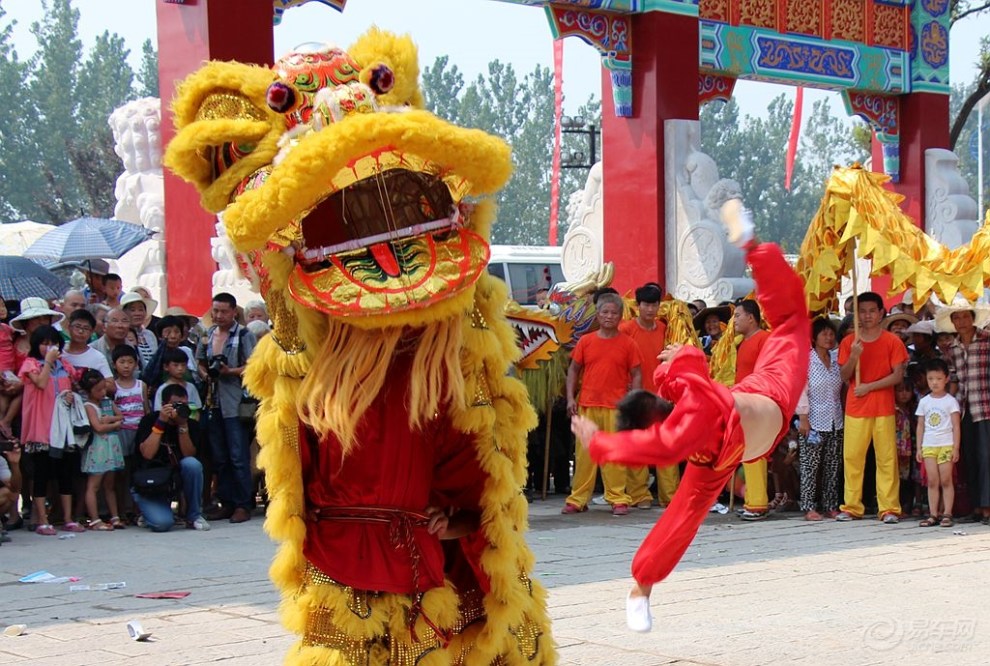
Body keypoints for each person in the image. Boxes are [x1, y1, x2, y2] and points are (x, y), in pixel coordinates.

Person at [572, 202, 808, 633]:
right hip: (753, 413)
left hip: (756, 400)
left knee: (681, 518)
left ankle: (641, 588)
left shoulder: (695, 409)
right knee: (793, 321)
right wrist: (601, 442)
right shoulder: (692, 416)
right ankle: (641, 587)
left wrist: (602, 441)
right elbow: (662, 439)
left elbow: (663, 434)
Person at [562, 292, 641, 516]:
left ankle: (617, 498)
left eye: (613, 313)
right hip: (587, 405)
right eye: (604, 312)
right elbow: (573, 370)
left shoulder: (628, 343)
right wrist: (570, 398)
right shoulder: (586, 341)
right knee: (584, 455)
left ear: (620, 316)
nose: (608, 316)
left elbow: (636, 374)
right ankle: (578, 499)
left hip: (615, 407)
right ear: (597, 314)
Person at [836, 292, 908, 524]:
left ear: (880, 313)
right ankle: (851, 506)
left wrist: (869, 387)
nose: (867, 316)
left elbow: (897, 376)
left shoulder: (892, 341)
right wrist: (854, 357)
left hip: (883, 406)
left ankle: (889, 508)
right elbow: (845, 376)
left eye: (871, 311)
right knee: (852, 458)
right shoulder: (850, 342)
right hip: (856, 407)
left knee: (887, 459)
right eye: (862, 311)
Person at [198, 293, 256, 524]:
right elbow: (200, 363)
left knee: (238, 456)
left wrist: (229, 371)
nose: (219, 315)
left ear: (234, 312)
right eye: (215, 311)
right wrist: (206, 374)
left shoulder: (244, 334)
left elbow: (253, 366)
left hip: (235, 403)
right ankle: (226, 502)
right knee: (219, 457)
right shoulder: (208, 334)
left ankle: (243, 504)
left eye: (223, 311)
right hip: (214, 402)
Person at [19, 326, 81, 535]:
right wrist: (47, 362)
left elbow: (72, 387)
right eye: (44, 343)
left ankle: (68, 518)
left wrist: (70, 396)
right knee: (41, 474)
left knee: (65, 473)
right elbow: (41, 382)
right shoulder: (31, 364)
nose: (49, 347)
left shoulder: (65, 366)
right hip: (41, 427)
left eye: (52, 343)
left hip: (62, 428)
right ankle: (42, 521)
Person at [618, 283, 673, 509]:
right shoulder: (626, 329)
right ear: (637, 306)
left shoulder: (664, 328)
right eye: (646, 305)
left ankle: (670, 495)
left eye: (654, 305)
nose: (650, 309)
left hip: (661, 396)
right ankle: (639, 494)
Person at [132, 384, 209, 531]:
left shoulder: (190, 425)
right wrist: (161, 422)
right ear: (163, 405)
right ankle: (150, 512)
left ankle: (194, 516)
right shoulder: (149, 420)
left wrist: (182, 425)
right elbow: (148, 454)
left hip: (174, 478)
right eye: (176, 405)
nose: (180, 408)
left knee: (192, 464)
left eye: (184, 405)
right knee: (162, 524)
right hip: (150, 480)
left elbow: (189, 455)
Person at [940, 300, 990, 525]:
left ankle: (987, 506)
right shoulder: (952, 348)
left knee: (986, 457)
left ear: (973, 317)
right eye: (956, 318)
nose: (961, 321)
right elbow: (954, 379)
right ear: (952, 322)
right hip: (964, 409)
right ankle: (977, 507)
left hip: (986, 406)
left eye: (965, 316)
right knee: (969, 458)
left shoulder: (987, 341)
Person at [795, 317, 844, 521]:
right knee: (810, 466)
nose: (829, 337)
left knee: (833, 465)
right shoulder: (806, 360)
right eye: (824, 333)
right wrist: (803, 417)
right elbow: (800, 390)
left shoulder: (836, 359)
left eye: (831, 333)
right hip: (813, 419)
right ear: (814, 337)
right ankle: (808, 506)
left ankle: (831, 504)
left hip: (835, 419)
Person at [734, 299, 772, 520]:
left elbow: (766, 373)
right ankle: (751, 499)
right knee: (747, 453)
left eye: (737, 315)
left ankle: (757, 503)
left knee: (755, 453)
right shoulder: (742, 342)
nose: (734, 320)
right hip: (743, 402)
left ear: (751, 317)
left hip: (756, 403)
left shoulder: (764, 340)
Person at [915, 359, 961, 528]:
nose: (934, 382)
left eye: (938, 379)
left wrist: (955, 447)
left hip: (946, 444)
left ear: (946, 379)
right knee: (932, 480)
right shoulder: (924, 401)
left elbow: (956, 426)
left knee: (946, 479)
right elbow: (920, 425)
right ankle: (933, 513)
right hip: (929, 445)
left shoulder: (950, 401)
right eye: (931, 379)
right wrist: (919, 447)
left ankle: (947, 512)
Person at [78, 369, 125, 531]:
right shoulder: (89, 406)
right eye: (98, 390)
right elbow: (97, 427)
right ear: (88, 391)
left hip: (111, 446)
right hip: (98, 448)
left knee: (110, 484)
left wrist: (110, 420)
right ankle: (95, 519)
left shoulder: (107, 401)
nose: (103, 392)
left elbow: (120, 415)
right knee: (94, 485)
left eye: (104, 388)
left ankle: (115, 516)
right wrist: (114, 425)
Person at [111, 345, 147, 524]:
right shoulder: (113, 387)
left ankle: (137, 509)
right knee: (121, 473)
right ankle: (121, 510)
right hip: (121, 432)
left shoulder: (141, 385)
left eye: (130, 362)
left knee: (137, 471)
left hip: (138, 433)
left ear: (136, 364)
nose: (126, 366)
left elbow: (146, 410)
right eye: (122, 362)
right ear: (114, 364)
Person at [60, 310, 113, 384]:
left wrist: (91, 384)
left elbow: (111, 385)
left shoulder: (97, 357)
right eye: (77, 327)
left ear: (91, 332)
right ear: (69, 327)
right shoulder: (58, 351)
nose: (81, 331)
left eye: (86, 328)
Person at [153, 348, 204, 416]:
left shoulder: (191, 388)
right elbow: (158, 411)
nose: (180, 368)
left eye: (183, 365)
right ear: (166, 367)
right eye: (176, 365)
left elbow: (196, 410)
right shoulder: (162, 389)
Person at [120, 291, 158, 368]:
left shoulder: (149, 334)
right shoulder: (122, 335)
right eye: (132, 310)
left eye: (141, 310)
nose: (137, 313)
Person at [0, 297, 20, 438]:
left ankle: (5, 421)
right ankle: (4, 422)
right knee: (6, 395)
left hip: (10, 368)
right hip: (2, 369)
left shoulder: (7, 328)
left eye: (3, 305)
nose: (2, 309)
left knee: (17, 390)